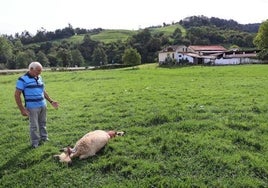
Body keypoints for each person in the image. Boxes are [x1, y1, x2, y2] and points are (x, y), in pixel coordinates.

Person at [14, 62, 59, 148]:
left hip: (43, 104)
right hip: (32, 107)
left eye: (40, 71)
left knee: (43, 123)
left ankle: (44, 138)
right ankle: (35, 143)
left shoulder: (39, 77)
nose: (39, 73)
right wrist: (22, 109)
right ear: (31, 69)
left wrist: (51, 101)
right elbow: (17, 95)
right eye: (38, 71)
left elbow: (43, 91)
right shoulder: (22, 79)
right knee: (34, 126)